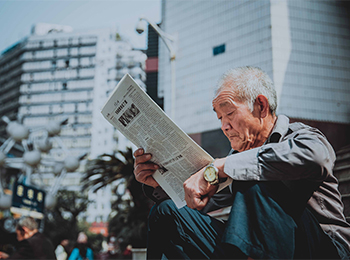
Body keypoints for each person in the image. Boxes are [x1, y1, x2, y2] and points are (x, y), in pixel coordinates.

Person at [133, 66, 350, 259]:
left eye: (229, 113)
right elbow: (203, 200)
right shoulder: (237, 158)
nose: (224, 126)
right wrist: (158, 181)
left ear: (261, 106)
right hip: (254, 247)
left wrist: (221, 166)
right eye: (220, 118)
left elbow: (317, 158)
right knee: (166, 212)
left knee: (253, 174)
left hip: (322, 248)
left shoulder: (303, 136)